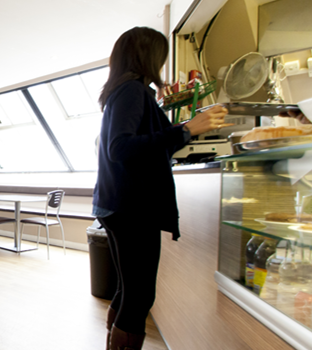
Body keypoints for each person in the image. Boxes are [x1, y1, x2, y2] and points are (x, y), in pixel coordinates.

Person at [92, 27, 228, 350]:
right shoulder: (132, 92)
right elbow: (121, 148)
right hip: (131, 208)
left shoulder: (123, 92)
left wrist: (184, 131)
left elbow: (139, 143)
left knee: (129, 290)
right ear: (149, 57)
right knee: (140, 295)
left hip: (117, 205)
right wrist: (187, 130)